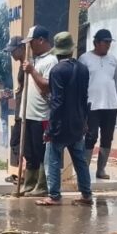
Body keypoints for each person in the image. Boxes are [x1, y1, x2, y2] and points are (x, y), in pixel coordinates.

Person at [38, 32, 93, 207]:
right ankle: (86, 194)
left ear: (58, 52)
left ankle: (54, 195)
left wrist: (50, 129)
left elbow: (57, 102)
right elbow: (84, 98)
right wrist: (85, 121)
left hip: (61, 124)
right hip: (78, 123)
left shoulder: (57, 71)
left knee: (53, 159)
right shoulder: (83, 69)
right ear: (71, 49)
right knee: (80, 160)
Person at [79, 28, 117, 179]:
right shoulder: (84, 59)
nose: (108, 45)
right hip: (92, 105)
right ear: (96, 43)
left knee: (107, 138)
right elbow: (79, 83)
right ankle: (84, 171)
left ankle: (101, 169)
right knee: (91, 136)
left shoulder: (112, 60)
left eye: (109, 42)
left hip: (110, 105)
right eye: (105, 42)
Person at [19, 25, 57, 195]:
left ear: (41, 40)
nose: (30, 46)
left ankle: (42, 185)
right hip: (28, 114)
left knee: (41, 152)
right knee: (30, 153)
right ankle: (29, 183)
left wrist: (32, 70)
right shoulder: (35, 60)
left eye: (31, 42)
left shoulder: (51, 61)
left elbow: (47, 86)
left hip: (41, 115)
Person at [3, 35, 27, 183]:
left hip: (25, 112)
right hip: (20, 111)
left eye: (13, 50)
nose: (11, 54)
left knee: (20, 144)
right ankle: (21, 173)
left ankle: (24, 175)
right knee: (16, 143)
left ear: (22, 48)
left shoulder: (28, 65)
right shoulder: (22, 65)